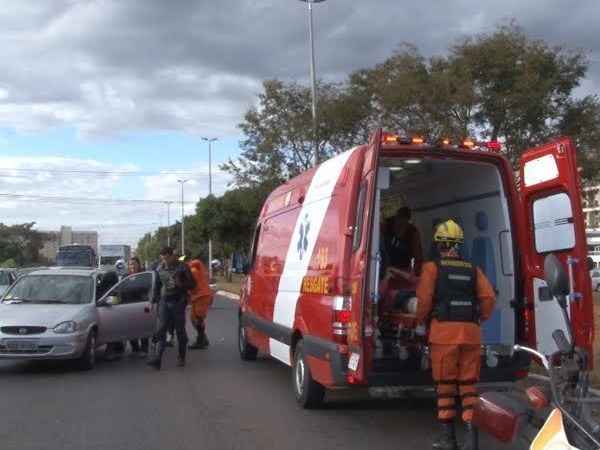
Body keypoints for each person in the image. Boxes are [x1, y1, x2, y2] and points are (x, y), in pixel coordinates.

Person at [411, 219, 495, 450]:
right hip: (471, 334)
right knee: (468, 387)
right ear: (459, 244)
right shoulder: (473, 269)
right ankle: (472, 441)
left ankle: (448, 440)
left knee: (446, 388)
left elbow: (424, 302)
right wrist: (478, 319)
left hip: (443, 335)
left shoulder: (432, 269)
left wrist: (420, 321)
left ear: (438, 245)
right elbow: (488, 299)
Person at [147, 246, 196, 370]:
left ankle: (181, 356)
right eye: (162, 259)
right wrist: (152, 300)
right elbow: (156, 286)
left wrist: (182, 284)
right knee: (161, 328)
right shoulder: (159, 268)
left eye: (166, 258)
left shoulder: (182, 267)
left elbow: (193, 284)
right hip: (164, 301)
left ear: (172, 256)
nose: (165, 261)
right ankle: (157, 359)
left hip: (178, 301)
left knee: (180, 330)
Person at [187, 255, 213, 350]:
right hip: (197, 297)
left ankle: (201, 341)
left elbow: (190, 285)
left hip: (202, 296)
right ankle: (203, 338)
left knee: (198, 319)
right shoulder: (193, 269)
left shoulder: (193, 270)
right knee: (193, 319)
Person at [128, 256, 149, 356]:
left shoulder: (144, 276)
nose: (132, 266)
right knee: (131, 329)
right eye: (130, 264)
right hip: (128, 307)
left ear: (138, 265)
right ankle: (135, 348)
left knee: (143, 328)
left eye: (134, 264)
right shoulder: (126, 277)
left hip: (142, 306)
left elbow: (147, 290)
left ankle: (144, 349)